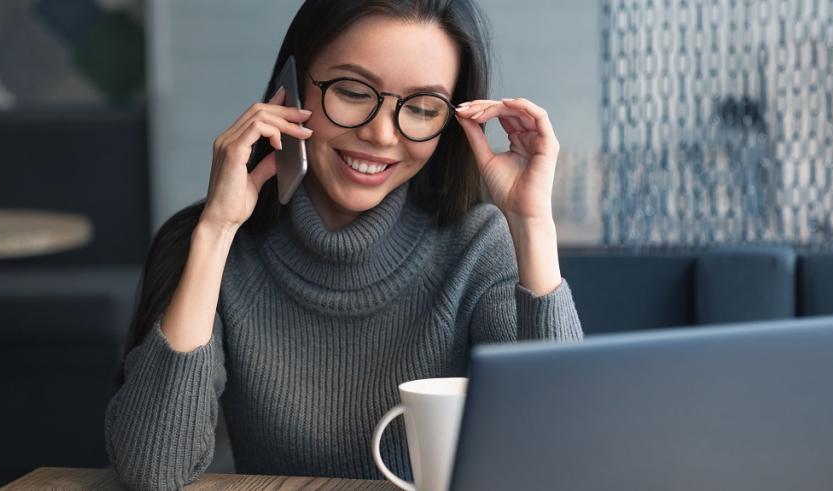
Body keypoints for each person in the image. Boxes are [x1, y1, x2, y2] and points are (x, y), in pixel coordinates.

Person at [105, 1, 583, 489]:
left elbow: (567, 456)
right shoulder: (215, 247)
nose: (380, 134)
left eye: (421, 108)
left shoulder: (475, 247)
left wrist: (530, 225)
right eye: (353, 91)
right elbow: (153, 469)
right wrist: (215, 232)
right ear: (288, 89)